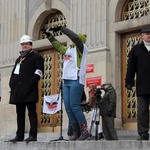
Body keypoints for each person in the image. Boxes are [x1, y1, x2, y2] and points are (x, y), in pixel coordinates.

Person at [43, 26, 89, 140]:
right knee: (68, 108)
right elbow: (58, 46)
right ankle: (76, 132)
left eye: (76, 39)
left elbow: (75, 38)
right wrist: (49, 35)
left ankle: (84, 130)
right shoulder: (69, 50)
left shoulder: (82, 49)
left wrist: (62, 29)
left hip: (76, 80)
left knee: (75, 106)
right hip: (66, 81)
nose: (73, 40)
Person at [8, 35, 44, 142]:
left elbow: (39, 72)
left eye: (26, 44)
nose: (24, 46)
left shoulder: (37, 57)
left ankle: (33, 135)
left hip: (30, 90)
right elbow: (14, 73)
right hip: (18, 91)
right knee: (20, 114)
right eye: (23, 44)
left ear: (31, 45)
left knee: (32, 113)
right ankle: (19, 135)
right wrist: (12, 83)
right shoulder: (18, 59)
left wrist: (30, 83)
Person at [125, 26, 150, 140]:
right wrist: (129, 81)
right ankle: (143, 132)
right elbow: (131, 67)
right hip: (143, 85)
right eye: (146, 33)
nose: (149, 35)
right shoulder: (136, 49)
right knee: (142, 109)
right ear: (142, 36)